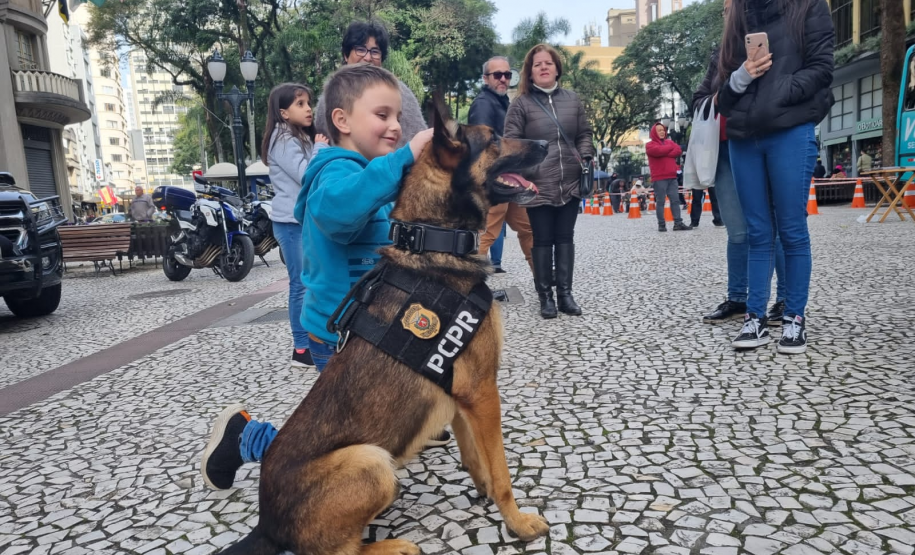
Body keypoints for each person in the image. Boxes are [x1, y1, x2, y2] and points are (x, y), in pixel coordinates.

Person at [200, 65, 438, 491]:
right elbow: (340, 212)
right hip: (340, 336)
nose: (396, 126)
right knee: (341, 443)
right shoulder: (335, 172)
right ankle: (245, 438)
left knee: (359, 431)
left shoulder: (366, 171)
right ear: (342, 121)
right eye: (382, 115)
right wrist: (406, 158)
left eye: (398, 117)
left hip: (366, 332)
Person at [718, 0, 834, 353]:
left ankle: (794, 318)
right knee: (757, 232)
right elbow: (721, 95)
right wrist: (742, 76)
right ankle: (755, 317)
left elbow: (822, 67)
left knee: (792, 228)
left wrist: (778, 91)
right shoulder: (738, 12)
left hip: (790, 131)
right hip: (743, 138)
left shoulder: (809, 6)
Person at [693, 12, 787, 327]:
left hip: (760, 143)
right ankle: (738, 297)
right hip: (723, 149)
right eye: (723, 8)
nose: (728, 12)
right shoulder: (720, 54)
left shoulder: (777, 40)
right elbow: (700, 100)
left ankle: (785, 298)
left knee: (771, 228)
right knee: (737, 232)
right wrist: (734, 83)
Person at [504, 44, 594, 319]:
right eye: (537, 64)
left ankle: (566, 295)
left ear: (557, 68)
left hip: (570, 180)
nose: (543, 67)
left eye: (548, 63)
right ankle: (545, 297)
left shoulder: (572, 100)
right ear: (529, 73)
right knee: (542, 239)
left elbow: (584, 133)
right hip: (538, 183)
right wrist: (525, 172)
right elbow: (512, 142)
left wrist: (585, 155)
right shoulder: (521, 104)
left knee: (565, 238)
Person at [262, 83, 329, 369]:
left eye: (308, 102)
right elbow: (305, 175)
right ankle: (301, 348)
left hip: (300, 221)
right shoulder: (284, 140)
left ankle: (313, 340)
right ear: (283, 113)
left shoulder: (296, 136)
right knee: (300, 285)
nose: (308, 108)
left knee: (309, 283)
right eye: (300, 104)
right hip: (290, 224)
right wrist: (320, 149)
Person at [314, 20, 426, 149]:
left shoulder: (400, 93)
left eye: (375, 52)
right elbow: (322, 143)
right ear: (346, 55)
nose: (368, 58)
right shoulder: (330, 96)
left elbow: (418, 138)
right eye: (360, 49)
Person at [470, 55, 534, 271]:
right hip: (494, 181)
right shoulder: (483, 104)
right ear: (486, 78)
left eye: (507, 75)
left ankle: (544, 282)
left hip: (511, 179)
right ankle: (467, 288)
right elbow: (481, 145)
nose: (503, 79)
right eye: (497, 75)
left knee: (528, 228)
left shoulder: (501, 102)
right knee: (486, 235)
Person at [647, 123, 692, 232]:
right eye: (659, 130)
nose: (662, 132)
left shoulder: (669, 142)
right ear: (654, 132)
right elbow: (658, 151)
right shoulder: (650, 145)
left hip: (672, 176)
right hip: (659, 177)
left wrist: (665, 150)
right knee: (660, 202)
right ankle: (661, 224)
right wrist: (668, 149)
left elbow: (678, 150)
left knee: (675, 201)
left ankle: (678, 223)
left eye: (663, 130)